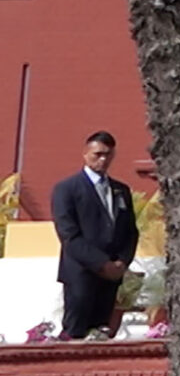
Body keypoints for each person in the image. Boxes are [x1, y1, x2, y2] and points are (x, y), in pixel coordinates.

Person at [51, 130, 139, 340]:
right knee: (76, 330)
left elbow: (130, 231)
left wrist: (121, 263)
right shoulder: (67, 189)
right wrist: (101, 263)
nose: (102, 159)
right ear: (85, 154)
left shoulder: (120, 190)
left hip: (111, 276)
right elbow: (68, 234)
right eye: (97, 154)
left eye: (107, 154)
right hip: (80, 272)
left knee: (102, 332)